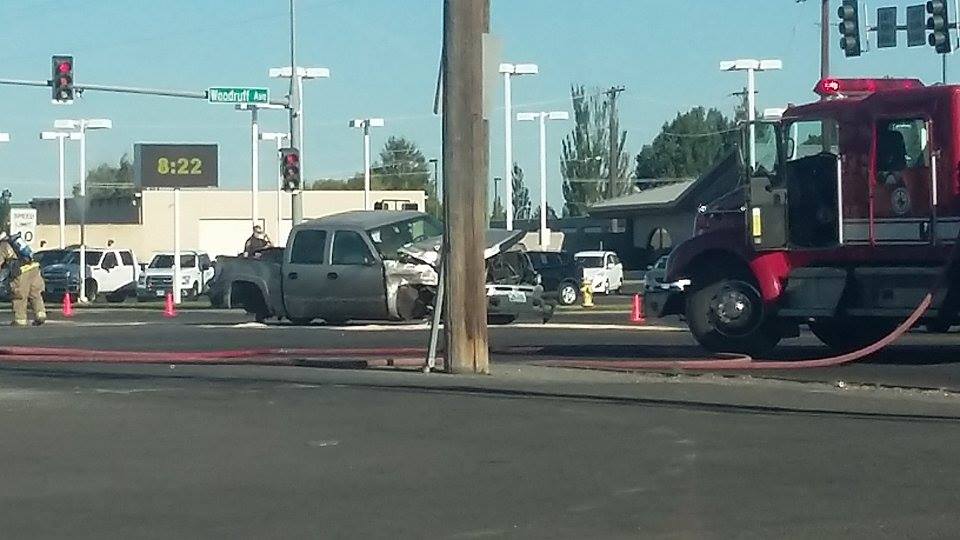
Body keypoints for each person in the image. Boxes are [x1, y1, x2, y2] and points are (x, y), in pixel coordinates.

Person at [0, 231, 46, 327]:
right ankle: (40, 314)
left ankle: (20, 319)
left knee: (19, 295)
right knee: (35, 293)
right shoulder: (17, 241)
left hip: (21, 272)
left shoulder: (3, 245)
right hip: (34, 267)